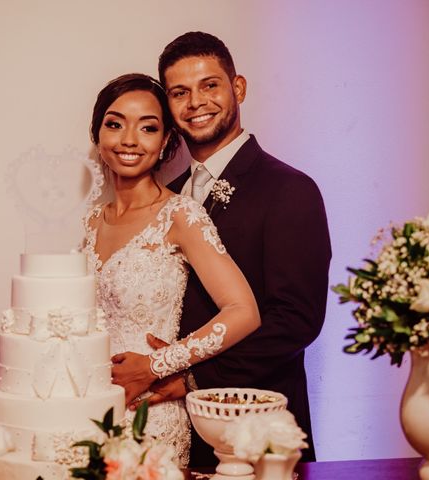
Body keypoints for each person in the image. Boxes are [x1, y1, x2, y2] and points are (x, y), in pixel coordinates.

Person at [111, 33, 331, 465]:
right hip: (167, 430)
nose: (196, 102)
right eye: (180, 92)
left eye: (209, 85)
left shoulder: (290, 190)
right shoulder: (167, 197)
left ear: (239, 88)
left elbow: (296, 320)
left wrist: (192, 377)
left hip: (255, 426)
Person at [83, 73, 261, 467]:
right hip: (92, 409)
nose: (129, 140)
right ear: (98, 136)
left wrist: (157, 365)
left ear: (165, 142)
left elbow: (243, 311)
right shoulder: (92, 221)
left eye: (148, 128)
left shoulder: (180, 214)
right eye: (115, 124)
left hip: (152, 414)